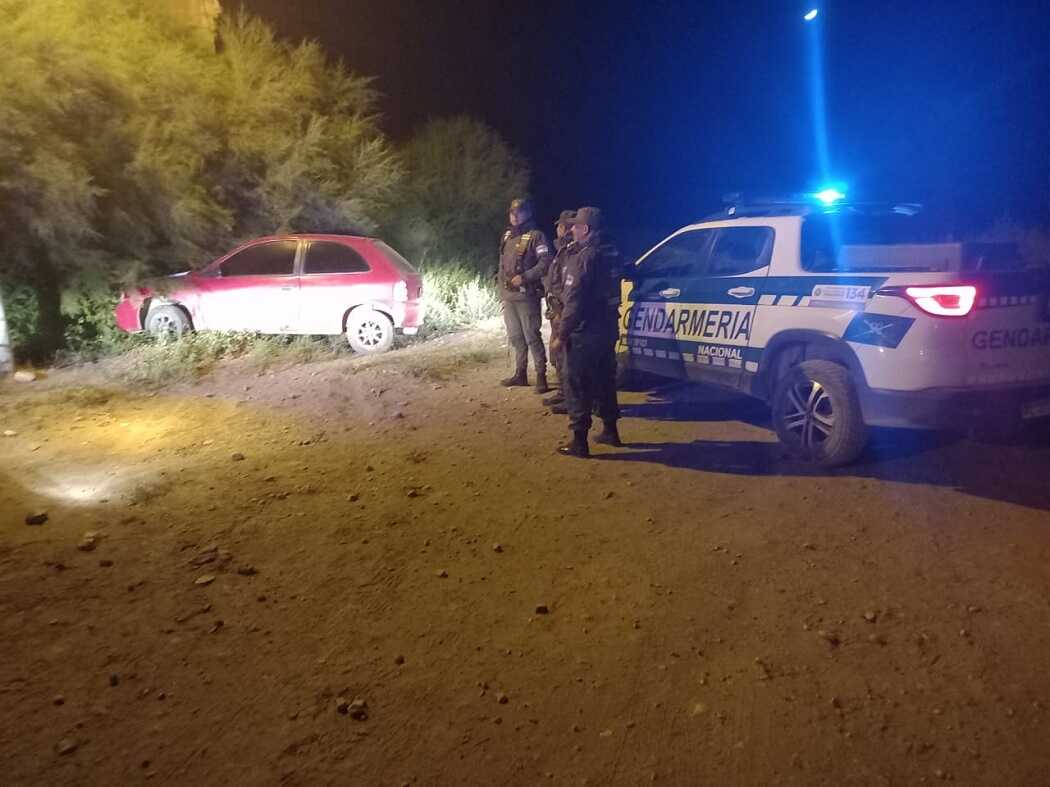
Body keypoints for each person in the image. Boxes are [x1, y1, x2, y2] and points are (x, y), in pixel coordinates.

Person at [552, 206, 623, 457]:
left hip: (585, 331)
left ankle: (579, 441)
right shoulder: (611, 252)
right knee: (605, 380)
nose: (572, 229)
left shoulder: (583, 257)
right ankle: (611, 431)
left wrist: (561, 335)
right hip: (607, 327)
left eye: (576, 226)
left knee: (577, 383)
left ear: (586, 229)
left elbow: (574, 301)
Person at [499, 198, 552, 392]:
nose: (514, 216)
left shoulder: (536, 236)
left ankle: (541, 375)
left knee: (532, 336)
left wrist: (525, 277)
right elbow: (501, 265)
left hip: (527, 296)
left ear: (527, 213)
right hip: (509, 297)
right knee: (516, 337)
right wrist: (501, 292)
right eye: (512, 212)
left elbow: (545, 263)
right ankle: (520, 373)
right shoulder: (507, 236)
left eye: (519, 212)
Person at [536, 210, 576, 408]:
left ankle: (571, 398)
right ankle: (563, 392)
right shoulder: (561, 250)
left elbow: (569, 285)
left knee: (567, 356)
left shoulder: (573, 251)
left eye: (561, 226)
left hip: (565, 311)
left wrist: (561, 309)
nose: (559, 229)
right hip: (556, 310)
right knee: (558, 356)